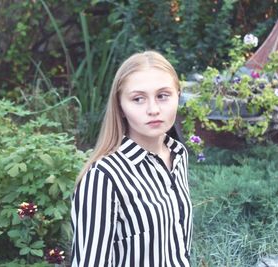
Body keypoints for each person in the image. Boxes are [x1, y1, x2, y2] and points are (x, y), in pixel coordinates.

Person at [71, 51, 192, 267]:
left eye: (163, 95)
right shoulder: (103, 178)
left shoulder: (178, 155)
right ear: (121, 107)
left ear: (178, 95)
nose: (153, 109)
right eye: (138, 99)